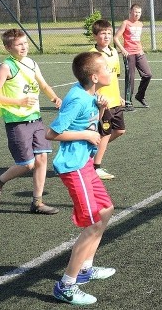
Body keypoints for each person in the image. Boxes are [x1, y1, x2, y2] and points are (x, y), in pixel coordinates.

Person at [46, 51, 116, 305]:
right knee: (93, 223)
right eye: (107, 68)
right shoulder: (76, 99)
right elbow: (51, 134)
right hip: (73, 167)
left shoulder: (91, 96)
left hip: (85, 163)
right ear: (95, 77)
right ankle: (65, 286)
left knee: (106, 211)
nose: (112, 71)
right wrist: (86, 137)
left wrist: (99, 111)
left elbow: (90, 126)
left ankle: (86, 268)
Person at [0, 29, 62, 214]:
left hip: (35, 119)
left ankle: (37, 202)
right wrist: (19, 101)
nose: (24, 47)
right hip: (17, 122)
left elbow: (43, 84)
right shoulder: (7, 67)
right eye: (19, 44)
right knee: (26, 164)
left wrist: (55, 99)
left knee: (42, 158)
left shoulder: (32, 63)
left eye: (25, 43)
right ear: (7, 47)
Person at [89, 19, 126, 180]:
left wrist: (118, 96)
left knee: (119, 131)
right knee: (104, 133)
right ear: (95, 36)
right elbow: (90, 79)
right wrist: (96, 96)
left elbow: (114, 76)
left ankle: (91, 152)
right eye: (103, 33)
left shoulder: (113, 52)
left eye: (109, 33)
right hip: (103, 103)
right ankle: (95, 167)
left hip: (115, 100)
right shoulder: (93, 55)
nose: (106, 36)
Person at [114, 4, 153, 111]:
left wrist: (141, 49)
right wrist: (123, 49)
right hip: (129, 54)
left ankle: (140, 96)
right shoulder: (125, 23)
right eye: (135, 12)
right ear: (130, 12)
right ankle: (128, 102)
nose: (137, 14)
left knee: (148, 75)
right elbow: (116, 38)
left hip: (139, 53)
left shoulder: (140, 24)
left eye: (139, 12)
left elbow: (136, 40)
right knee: (130, 78)